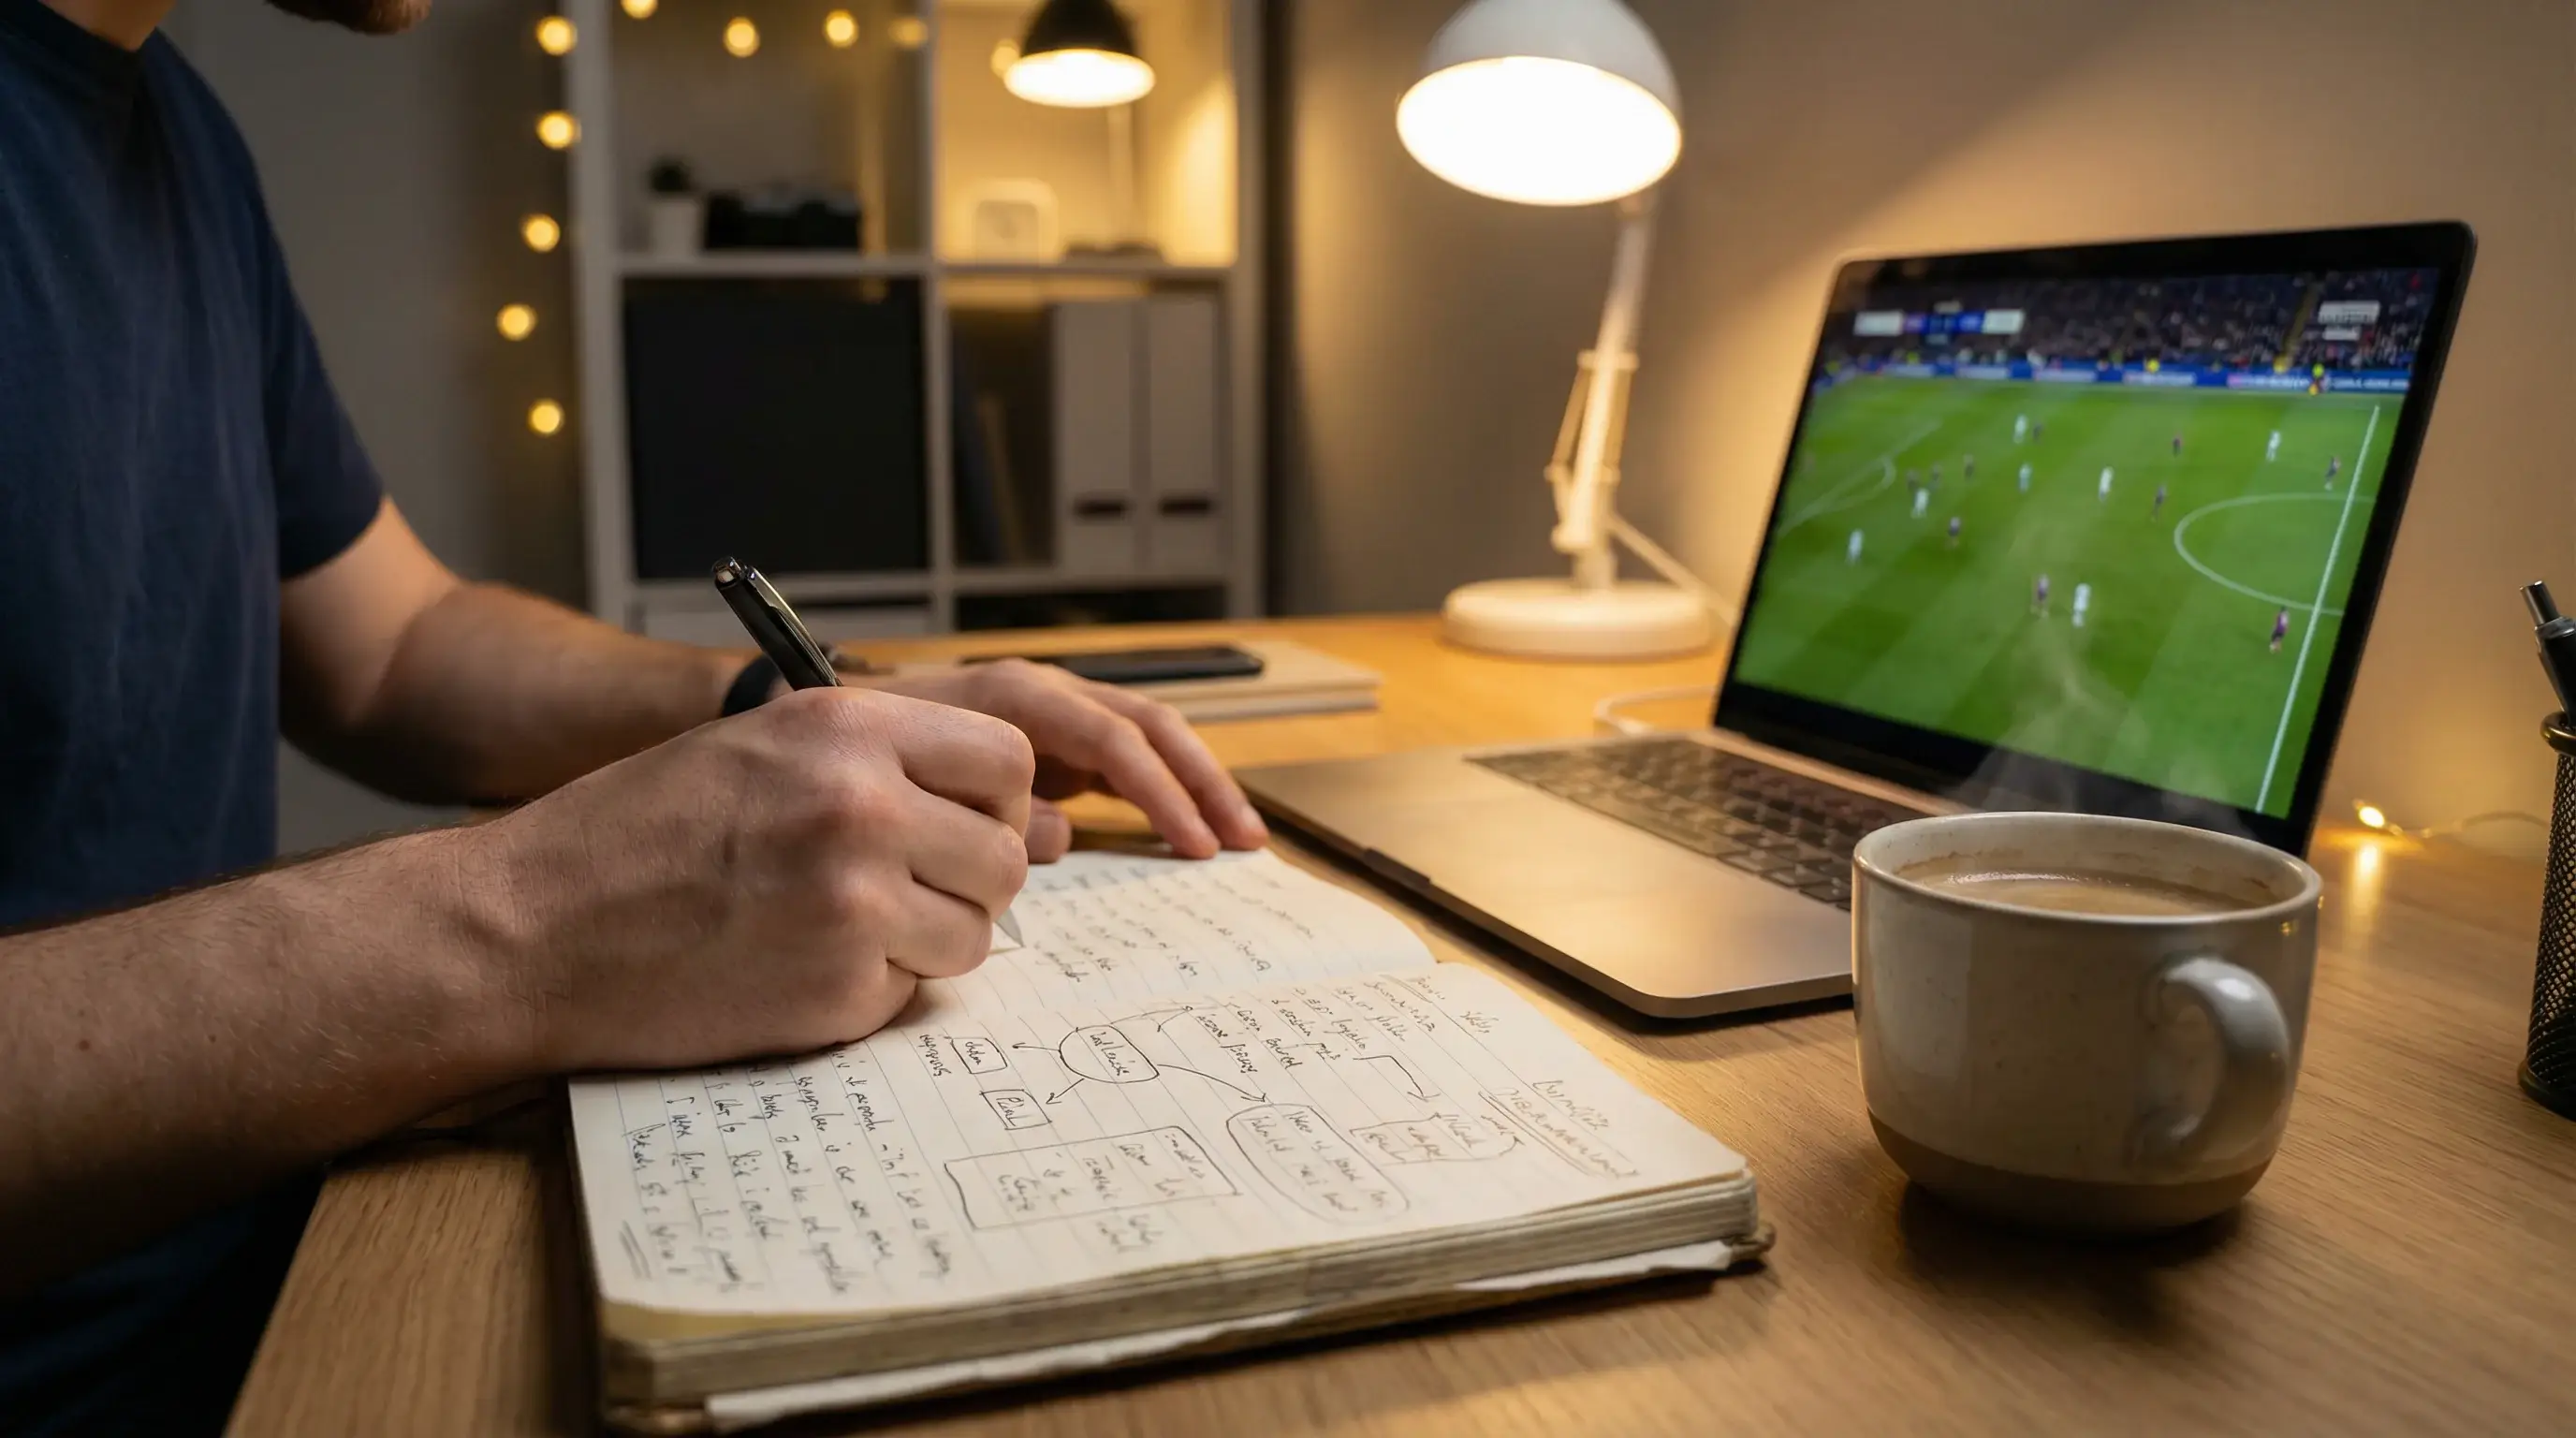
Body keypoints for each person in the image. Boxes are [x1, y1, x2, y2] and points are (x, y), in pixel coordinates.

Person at [0, 0, 1267, 1427]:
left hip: (284, 1261)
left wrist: (800, 706)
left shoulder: (169, 128)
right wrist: (522, 926)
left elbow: (397, 645)